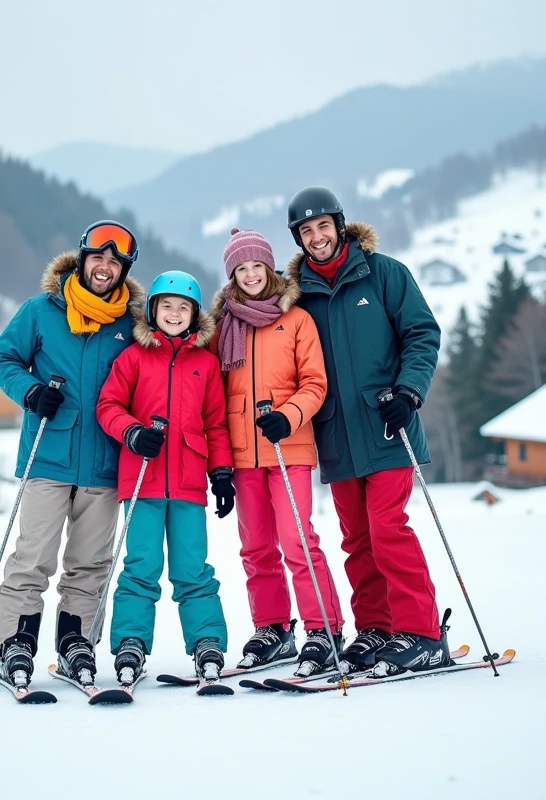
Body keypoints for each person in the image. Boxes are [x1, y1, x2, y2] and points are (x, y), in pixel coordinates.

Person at [284, 187, 451, 675]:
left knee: (387, 528)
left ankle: (421, 633)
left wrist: (409, 393)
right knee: (356, 538)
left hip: (387, 425)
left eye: (323, 226)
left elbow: (422, 334)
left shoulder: (383, 274)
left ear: (340, 225)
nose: (316, 237)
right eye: (306, 231)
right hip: (336, 433)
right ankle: (377, 627)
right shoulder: (300, 296)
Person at [0, 220, 144, 688]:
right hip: (49, 456)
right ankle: (17, 640)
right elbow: (1, 359)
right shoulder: (42, 310)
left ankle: (76, 641)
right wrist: (31, 391)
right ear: (82, 259)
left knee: (90, 562)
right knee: (33, 556)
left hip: (104, 460)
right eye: (98, 257)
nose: (105, 266)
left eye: (116, 261)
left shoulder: (131, 323)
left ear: (124, 269)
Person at [208, 227, 345, 677]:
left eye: (256, 266)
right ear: (232, 274)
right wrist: (220, 465)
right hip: (242, 454)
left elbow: (315, 384)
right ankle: (272, 628)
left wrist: (288, 415)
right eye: (240, 268)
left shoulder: (296, 319)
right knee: (255, 547)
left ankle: (324, 630)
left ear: (269, 267)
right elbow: (213, 395)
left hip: (289, 447)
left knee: (297, 541)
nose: (249, 275)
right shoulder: (224, 325)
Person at [96, 270, 234, 684]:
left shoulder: (205, 364)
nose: (175, 313)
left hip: (190, 483)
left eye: (183, 307)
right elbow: (108, 406)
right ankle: (130, 644)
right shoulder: (134, 358)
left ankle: (207, 641)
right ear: (153, 311)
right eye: (167, 306)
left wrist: (222, 472)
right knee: (141, 565)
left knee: (193, 568)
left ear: (194, 315)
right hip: (142, 480)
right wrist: (132, 432)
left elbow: (216, 424)